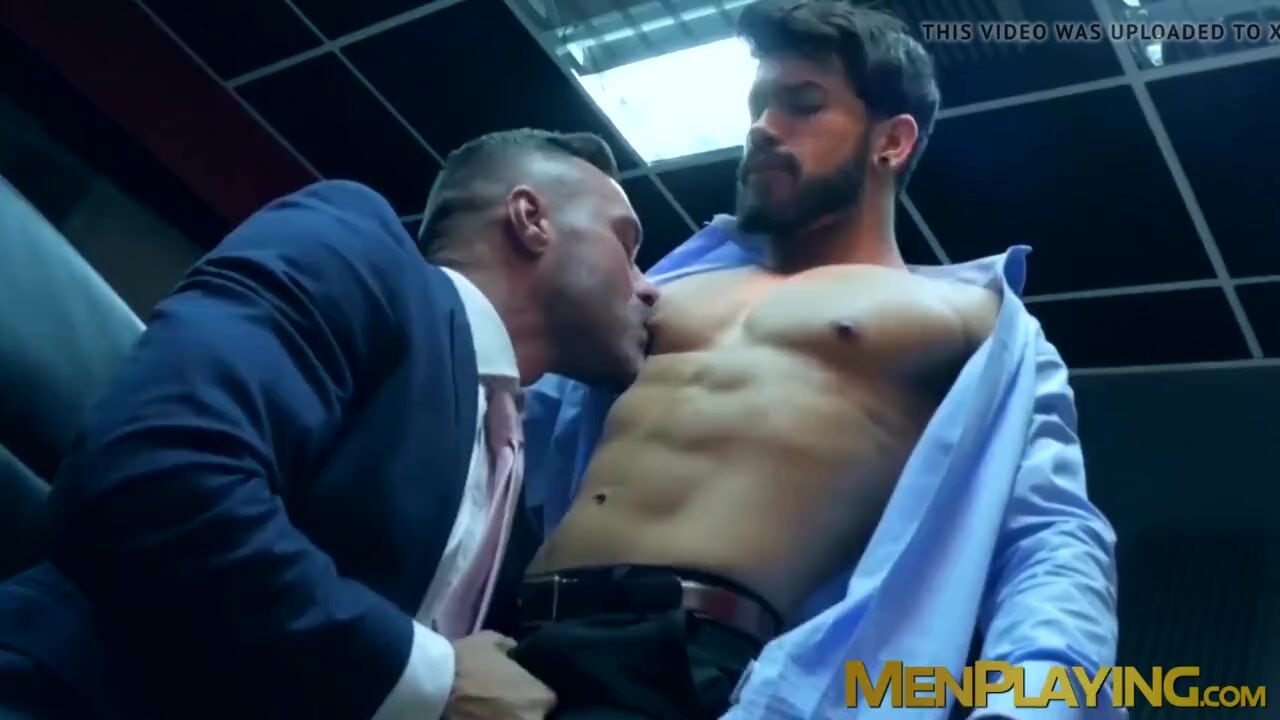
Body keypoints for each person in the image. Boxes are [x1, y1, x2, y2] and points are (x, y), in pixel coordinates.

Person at [513, 2, 1121, 719]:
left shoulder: (973, 320)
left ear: (892, 141)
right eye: (758, 106)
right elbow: (504, 423)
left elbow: (1050, 536)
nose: (762, 128)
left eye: (801, 104)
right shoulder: (660, 287)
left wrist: (1034, 705)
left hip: (691, 667)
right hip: (511, 652)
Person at [0, 128, 658, 720]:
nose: (649, 288)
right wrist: (434, 680)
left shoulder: (515, 507)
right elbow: (157, 476)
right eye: (626, 245)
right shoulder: (357, 247)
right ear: (530, 219)